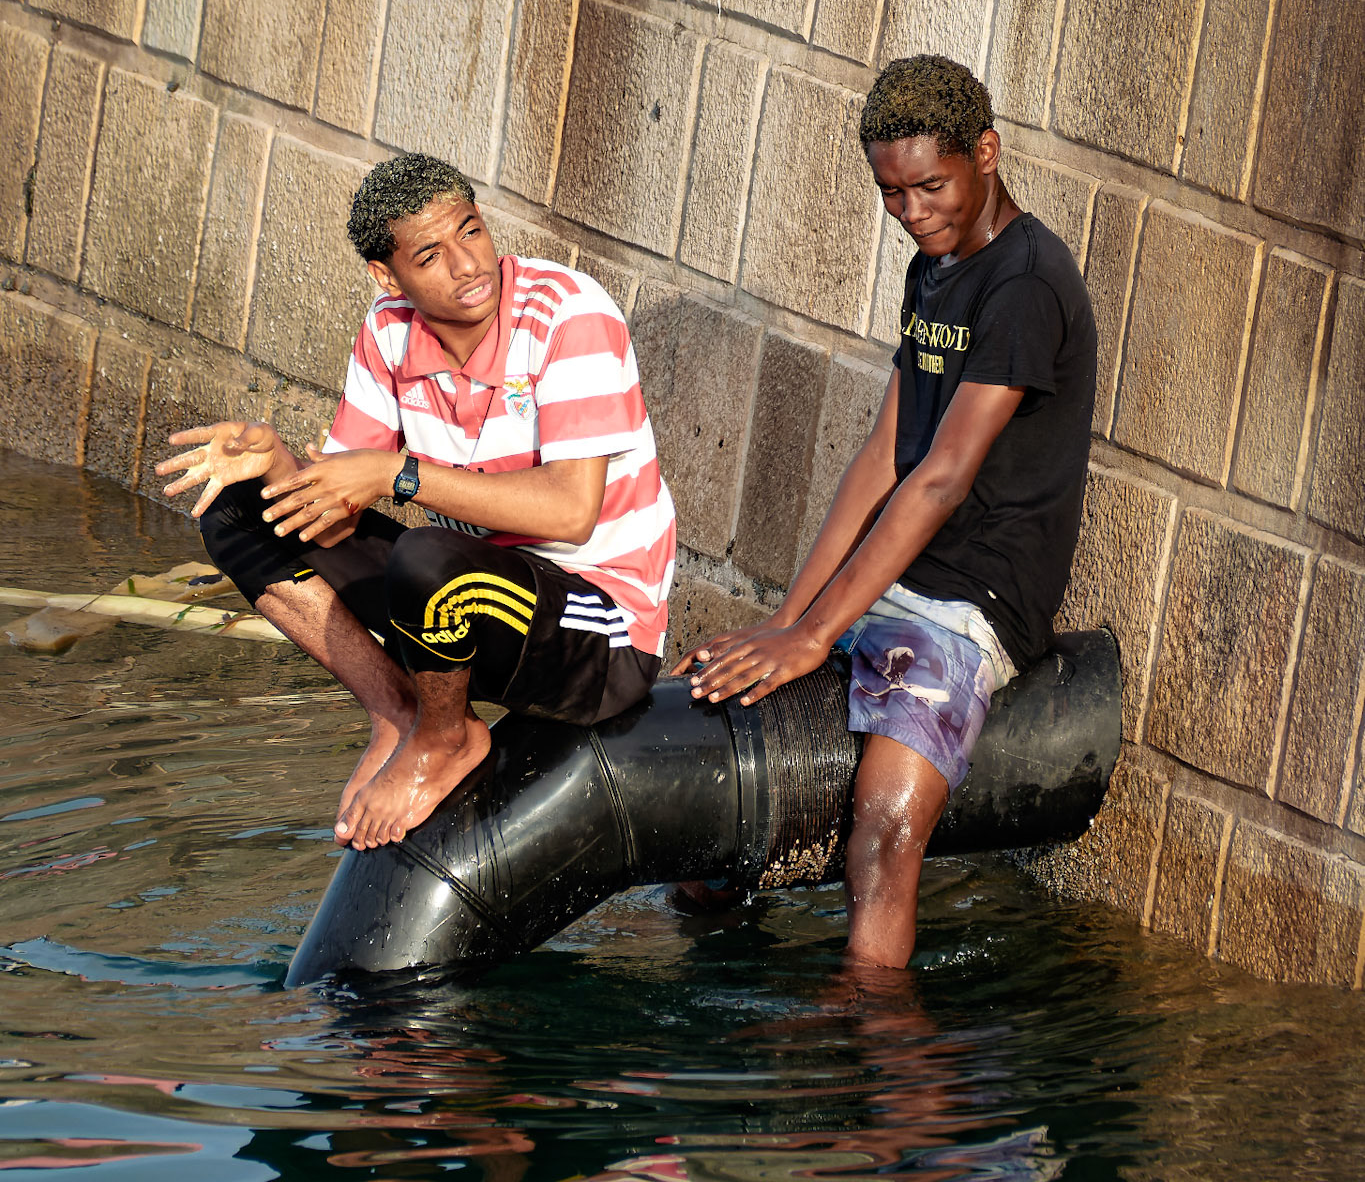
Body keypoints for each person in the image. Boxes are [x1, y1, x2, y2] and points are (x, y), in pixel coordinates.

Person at [673, 56, 1096, 971]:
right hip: (896, 579)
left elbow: (941, 478)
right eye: (891, 194)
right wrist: (789, 619)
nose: (912, 213)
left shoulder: (1024, 282)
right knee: (709, 751)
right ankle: (701, 966)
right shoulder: (933, 271)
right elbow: (880, 456)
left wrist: (818, 634)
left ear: (986, 152)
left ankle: (885, 1073)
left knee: (880, 840)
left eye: (930, 187)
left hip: (971, 600)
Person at [158, 153, 675, 851]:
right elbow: (335, 506)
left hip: (597, 640)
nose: (467, 266)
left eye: (471, 232)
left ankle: (443, 743)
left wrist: (401, 474)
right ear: (386, 274)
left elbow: (568, 512)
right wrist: (278, 464)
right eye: (430, 254)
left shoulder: (568, 315)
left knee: (429, 557)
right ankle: (399, 713)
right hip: (464, 610)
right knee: (241, 511)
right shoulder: (388, 329)